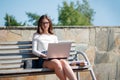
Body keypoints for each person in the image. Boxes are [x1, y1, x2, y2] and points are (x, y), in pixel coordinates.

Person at [32, 15, 77, 80]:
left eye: (47, 23)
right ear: (40, 24)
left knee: (64, 62)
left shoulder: (54, 36)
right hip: (43, 59)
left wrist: (61, 55)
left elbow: (57, 49)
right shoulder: (36, 35)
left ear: (49, 24)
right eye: (43, 23)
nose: (45, 25)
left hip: (54, 57)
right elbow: (34, 50)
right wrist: (43, 55)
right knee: (57, 63)